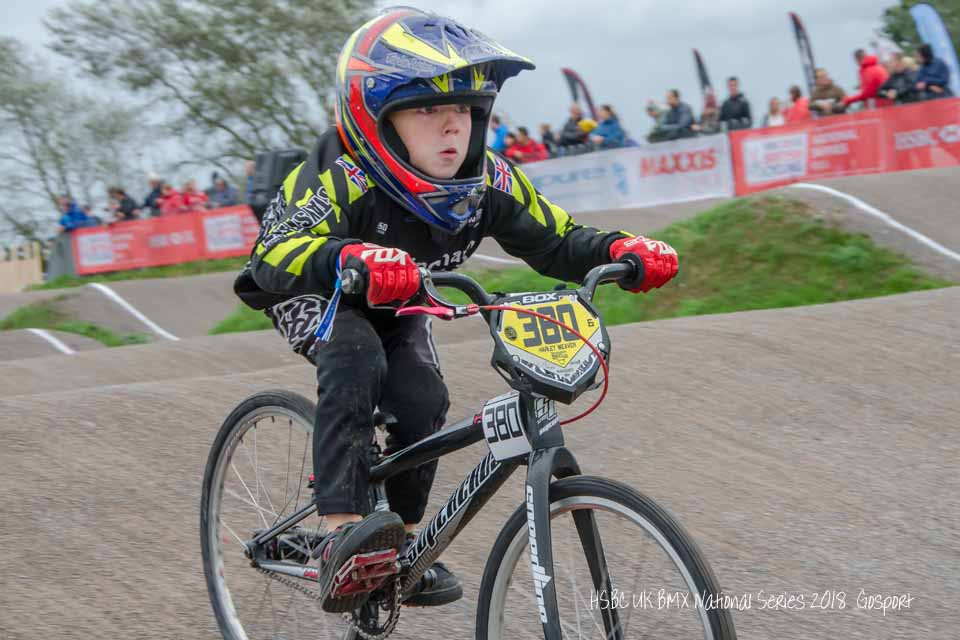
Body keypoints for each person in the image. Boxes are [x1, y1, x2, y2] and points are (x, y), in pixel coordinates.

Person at [233, 7, 678, 613]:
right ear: (378, 119)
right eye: (427, 110)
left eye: (465, 110)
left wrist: (620, 250)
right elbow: (270, 255)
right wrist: (348, 257)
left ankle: (396, 548)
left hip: (400, 295)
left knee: (423, 398)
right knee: (355, 356)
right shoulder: (341, 177)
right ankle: (342, 531)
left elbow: (558, 240)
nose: (451, 127)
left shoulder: (489, 183)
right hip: (314, 288)